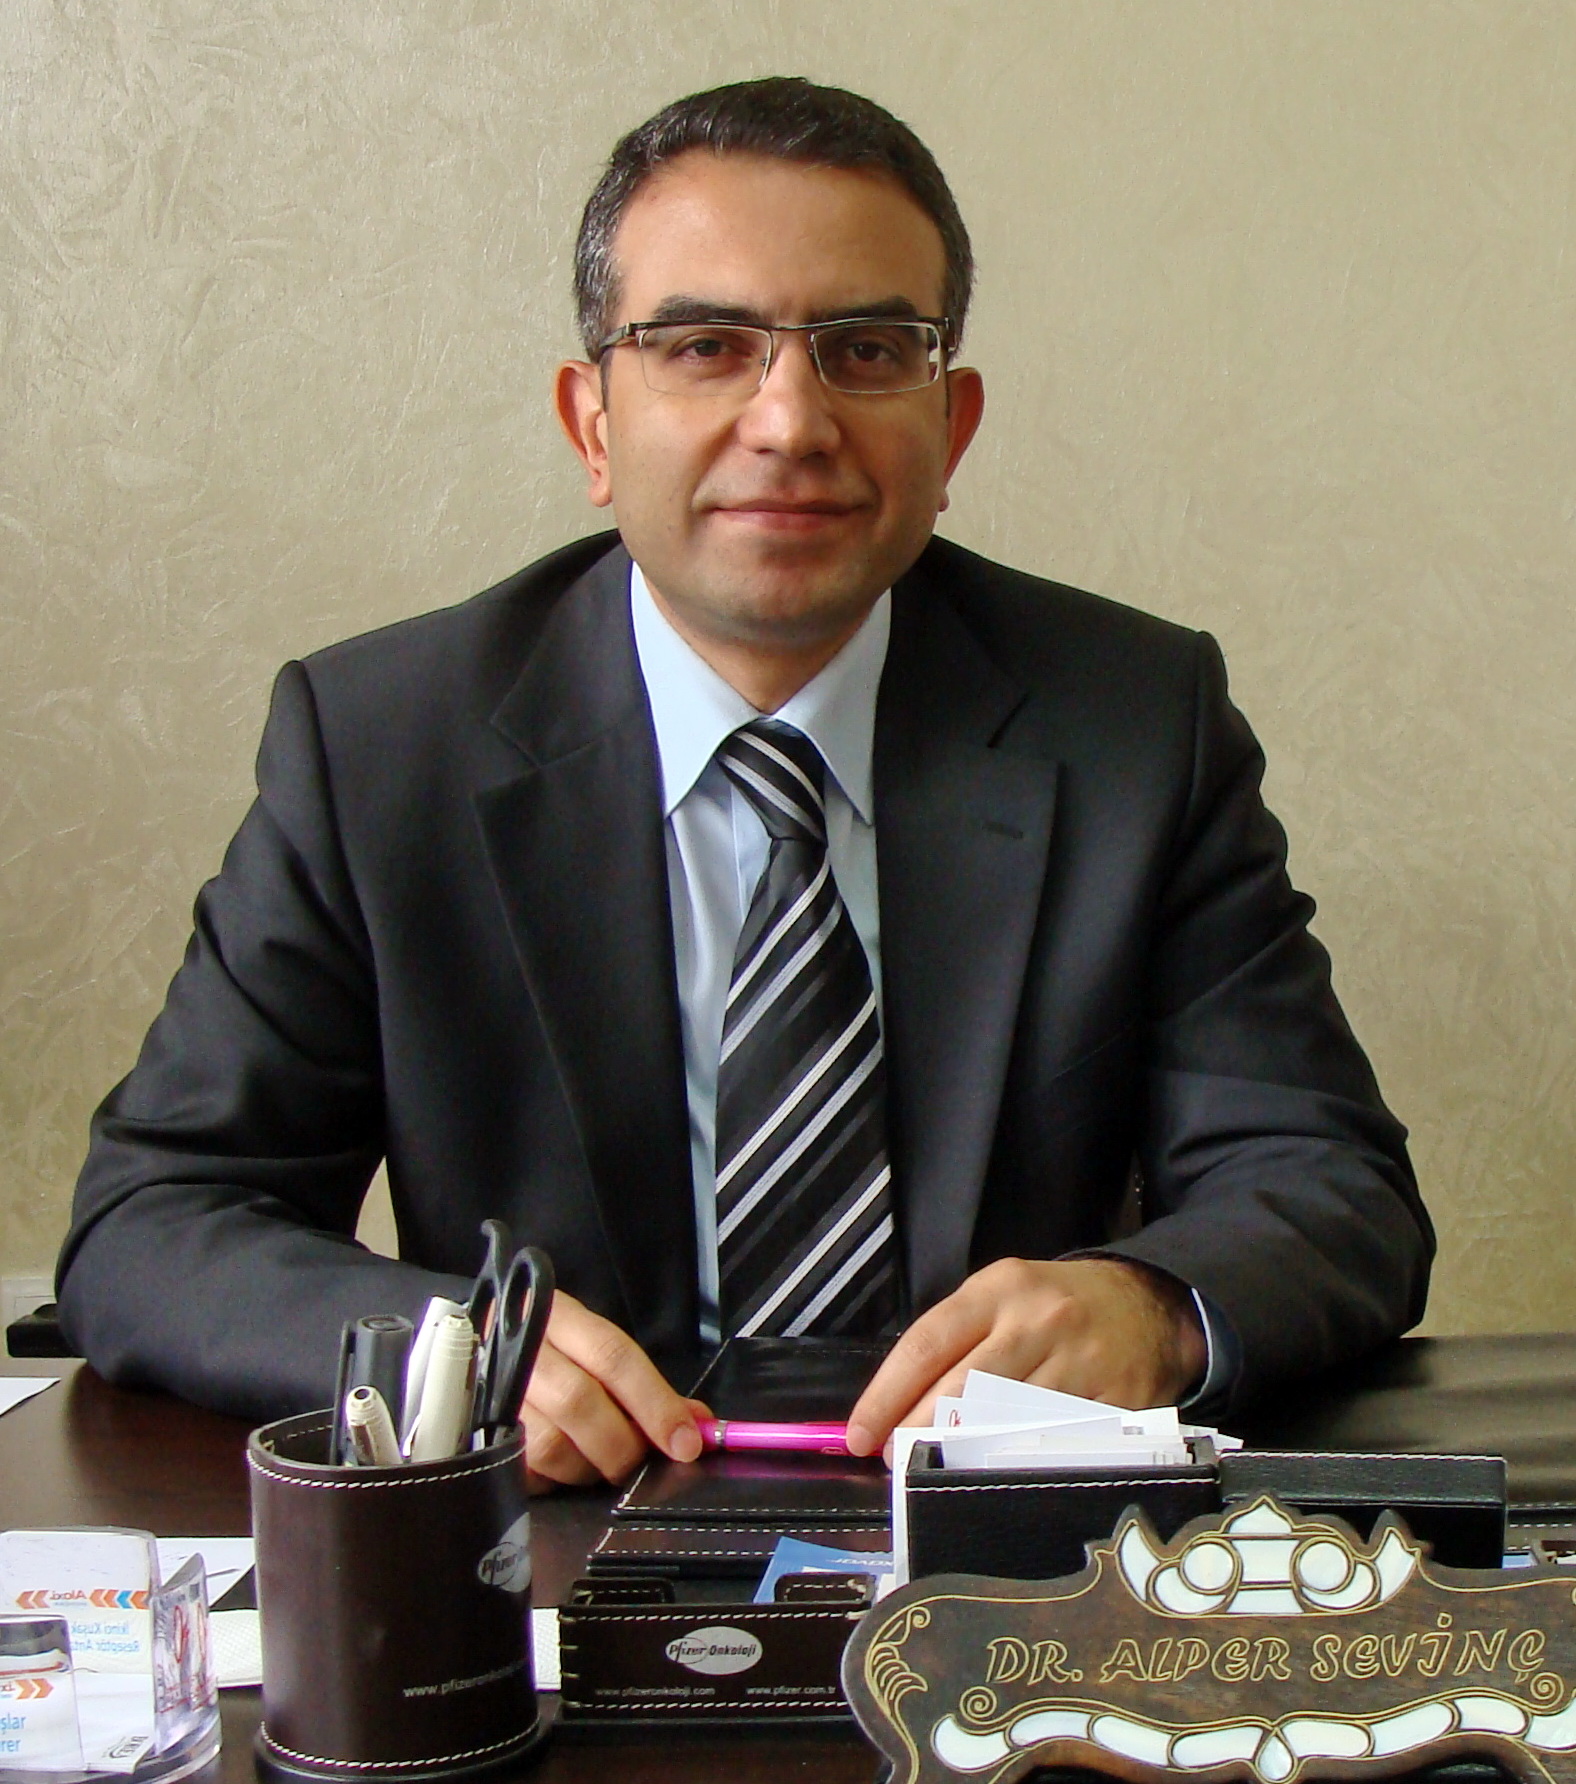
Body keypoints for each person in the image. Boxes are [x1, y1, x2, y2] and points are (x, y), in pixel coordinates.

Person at [57, 77, 1432, 1490]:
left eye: (866, 350)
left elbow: (1330, 1186)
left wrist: (1151, 1308)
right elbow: (153, 1219)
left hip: (1004, 1537)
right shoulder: (381, 747)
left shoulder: (1134, 724)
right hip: (551, 1530)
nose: (790, 421)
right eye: (705, 347)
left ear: (951, 429)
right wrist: (442, 1353)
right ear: (593, 426)